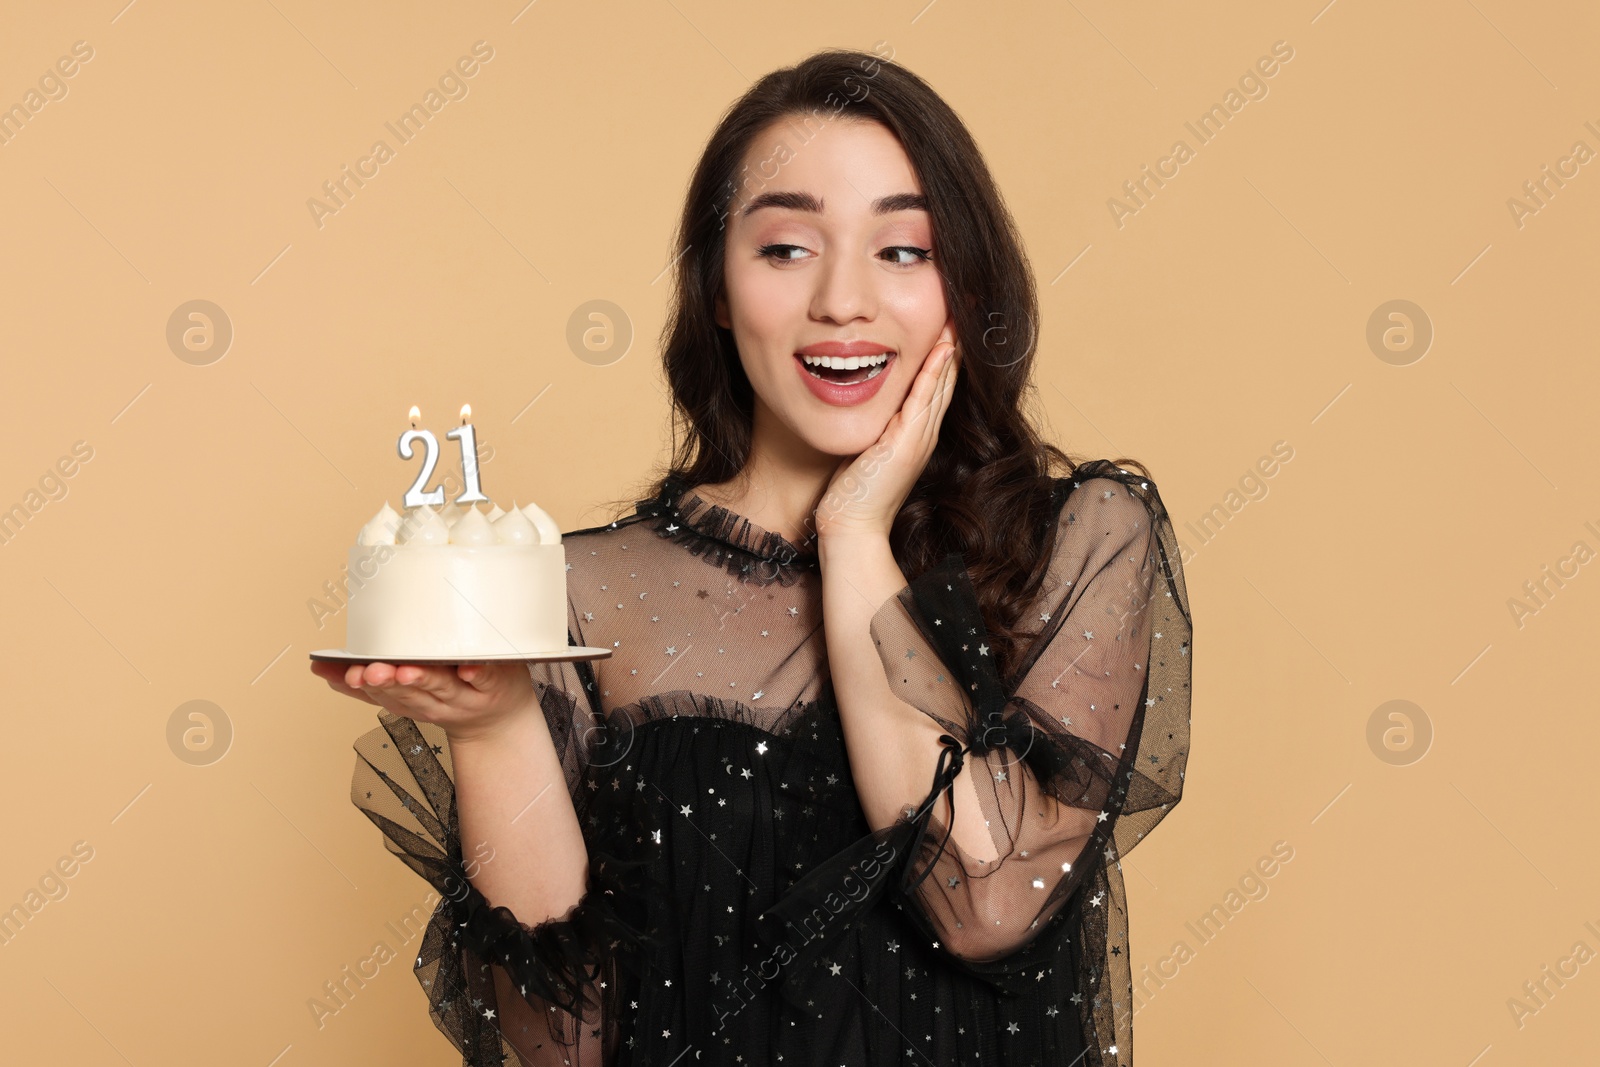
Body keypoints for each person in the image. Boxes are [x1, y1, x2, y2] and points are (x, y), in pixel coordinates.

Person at [313, 47, 1192, 1067]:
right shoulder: (584, 591)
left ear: (966, 281)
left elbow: (987, 898)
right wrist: (496, 721)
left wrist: (854, 533)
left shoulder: (1077, 540)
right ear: (717, 289)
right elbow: (558, 1045)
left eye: (901, 250)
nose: (843, 301)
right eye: (785, 248)